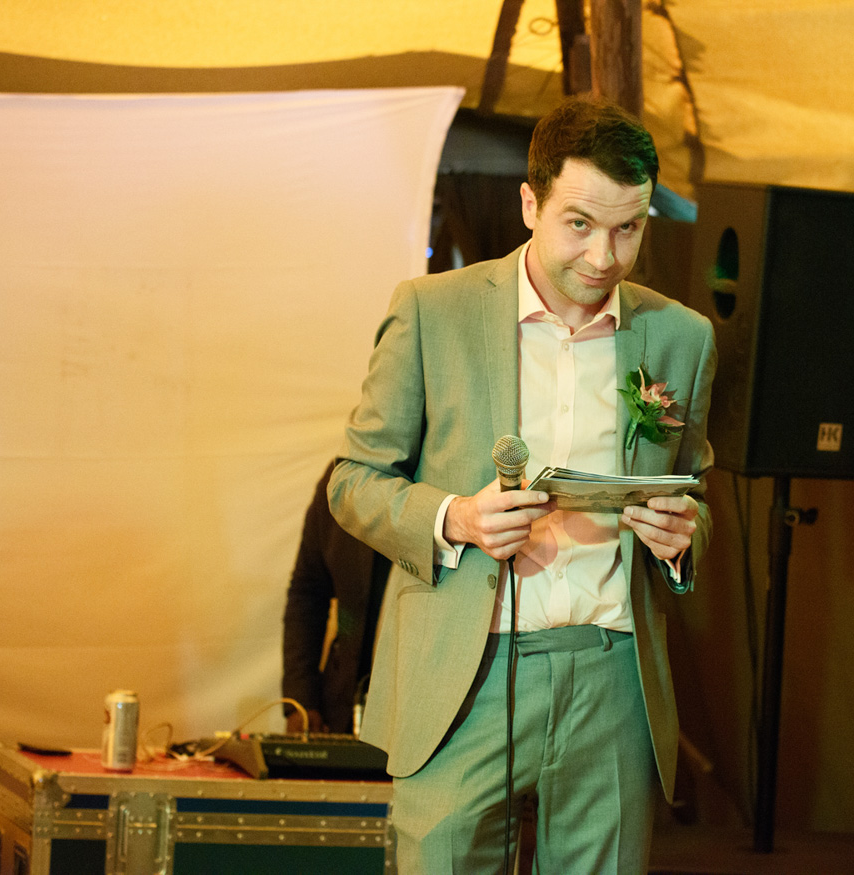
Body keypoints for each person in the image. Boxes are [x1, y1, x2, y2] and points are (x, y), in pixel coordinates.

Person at [329, 96, 717, 873]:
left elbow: (695, 492)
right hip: (463, 676)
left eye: (628, 228)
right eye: (579, 223)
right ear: (530, 202)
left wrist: (683, 538)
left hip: (612, 677)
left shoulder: (682, 336)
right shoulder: (430, 312)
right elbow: (353, 482)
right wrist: (456, 518)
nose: (604, 256)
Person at [281, 460, 390, 735]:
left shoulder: (446, 475)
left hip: (426, 710)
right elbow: (307, 593)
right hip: (344, 707)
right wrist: (301, 700)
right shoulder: (340, 479)